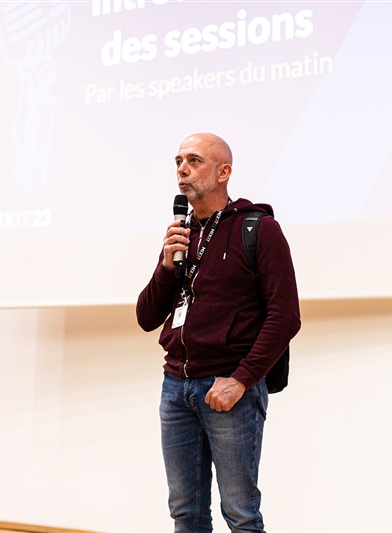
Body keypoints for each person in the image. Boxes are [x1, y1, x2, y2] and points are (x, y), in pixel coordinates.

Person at [136, 133, 301, 532]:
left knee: (240, 514)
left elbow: (285, 317)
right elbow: (146, 316)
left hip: (229, 388)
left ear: (223, 172)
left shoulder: (258, 229)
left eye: (193, 160)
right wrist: (166, 266)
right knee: (185, 512)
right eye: (178, 161)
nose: (182, 169)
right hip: (176, 387)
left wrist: (242, 380)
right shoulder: (182, 235)